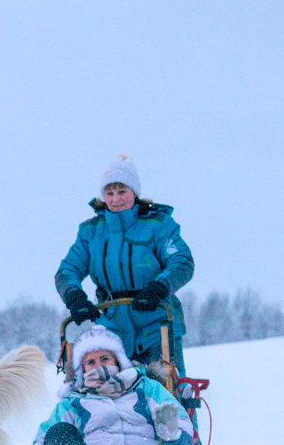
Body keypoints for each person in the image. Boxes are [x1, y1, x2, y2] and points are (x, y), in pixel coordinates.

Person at [56, 154, 195, 376]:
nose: (116, 199)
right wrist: (74, 296)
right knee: (109, 389)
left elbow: (182, 262)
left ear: (135, 192)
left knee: (164, 388)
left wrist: (159, 288)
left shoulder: (158, 225)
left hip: (156, 324)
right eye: (109, 193)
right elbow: (67, 270)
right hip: (112, 331)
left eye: (122, 192)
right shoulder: (91, 232)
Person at [26, 326, 193, 445]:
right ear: (83, 369)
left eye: (105, 359)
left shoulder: (145, 387)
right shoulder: (74, 401)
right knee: (60, 432)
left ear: (118, 361)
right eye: (91, 362)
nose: (98, 366)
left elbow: (182, 424)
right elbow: (42, 441)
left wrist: (172, 432)